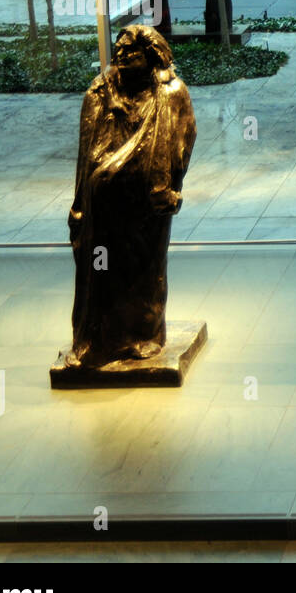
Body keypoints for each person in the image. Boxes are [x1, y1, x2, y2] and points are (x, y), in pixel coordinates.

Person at [65, 25, 197, 368]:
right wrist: (80, 203)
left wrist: (168, 183)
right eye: (119, 51)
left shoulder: (170, 93)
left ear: (152, 56)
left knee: (143, 272)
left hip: (145, 211)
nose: (123, 56)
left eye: (132, 52)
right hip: (103, 211)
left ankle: (142, 337)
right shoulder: (99, 92)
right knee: (100, 269)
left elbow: (183, 141)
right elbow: (85, 152)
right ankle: (97, 340)